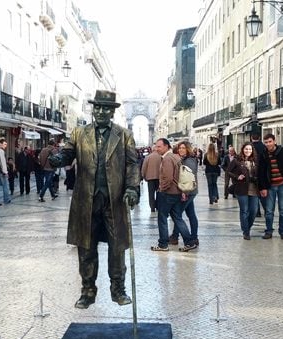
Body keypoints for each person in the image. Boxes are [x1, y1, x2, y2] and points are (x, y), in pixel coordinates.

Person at [49, 90, 140, 309]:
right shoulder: (80, 133)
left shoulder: (124, 135)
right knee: (86, 248)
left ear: (112, 111)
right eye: (97, 107)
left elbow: (132, 164)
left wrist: (132, 188)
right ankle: (88, 290)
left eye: (105, 108)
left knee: (117, 248)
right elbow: (68, 153)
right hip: (86, 201)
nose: (100, 112)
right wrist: (58, 158)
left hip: (114, 200)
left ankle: (118, 289)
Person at [151, 138, 195, 252]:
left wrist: (161, 189)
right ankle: (189, 242)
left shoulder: (167, 159)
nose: (156, 148)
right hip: (177, 192)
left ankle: (163, 244)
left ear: (166, 146)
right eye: (156, 146)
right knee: (177, 218)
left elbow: (168, 178)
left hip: (168, 193)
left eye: (159, 146)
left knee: (162, 218)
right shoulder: (176, 157)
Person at [258, 133, 283, 241]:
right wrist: (262, 188)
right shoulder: (263, 154)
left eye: (270, 141)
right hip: (270, 186)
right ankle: (268, 231)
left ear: (274, 141)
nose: (268, 144)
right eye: (266, 142)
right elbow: (260, 172)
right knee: (269, 210)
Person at [227, 142, 260, 240]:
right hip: (241, 189)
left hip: (254, 189)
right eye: (246, 149)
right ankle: (246, 232)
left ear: (252, 150)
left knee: (253, 211)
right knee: (244, 211)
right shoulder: (237, 160)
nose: (248, 151)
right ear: (242, 150)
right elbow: (228, 171)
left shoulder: (256, 160)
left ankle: (247, 228)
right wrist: (237, 177)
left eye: (250, 149)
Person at [169, 140, 199, 246]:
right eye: (179, 148)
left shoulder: (189, 160)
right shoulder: (185, 159)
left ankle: (176, 237)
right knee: (191, 214)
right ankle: (194, 237)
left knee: (177, 214)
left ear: (188, 149)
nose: (181, 149)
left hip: (188, 191)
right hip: (189, 191)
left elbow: (187, 178)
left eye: (183, 148)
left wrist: (184, 192)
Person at [141, 145, 161, 213]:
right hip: (159, 178)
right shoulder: (161, 157)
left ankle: (152, 208)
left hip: (150, 178)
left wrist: (143, 176)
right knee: (159, 193)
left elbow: (144, 168)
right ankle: (158, 206)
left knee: (151, 194)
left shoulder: (148, 157)